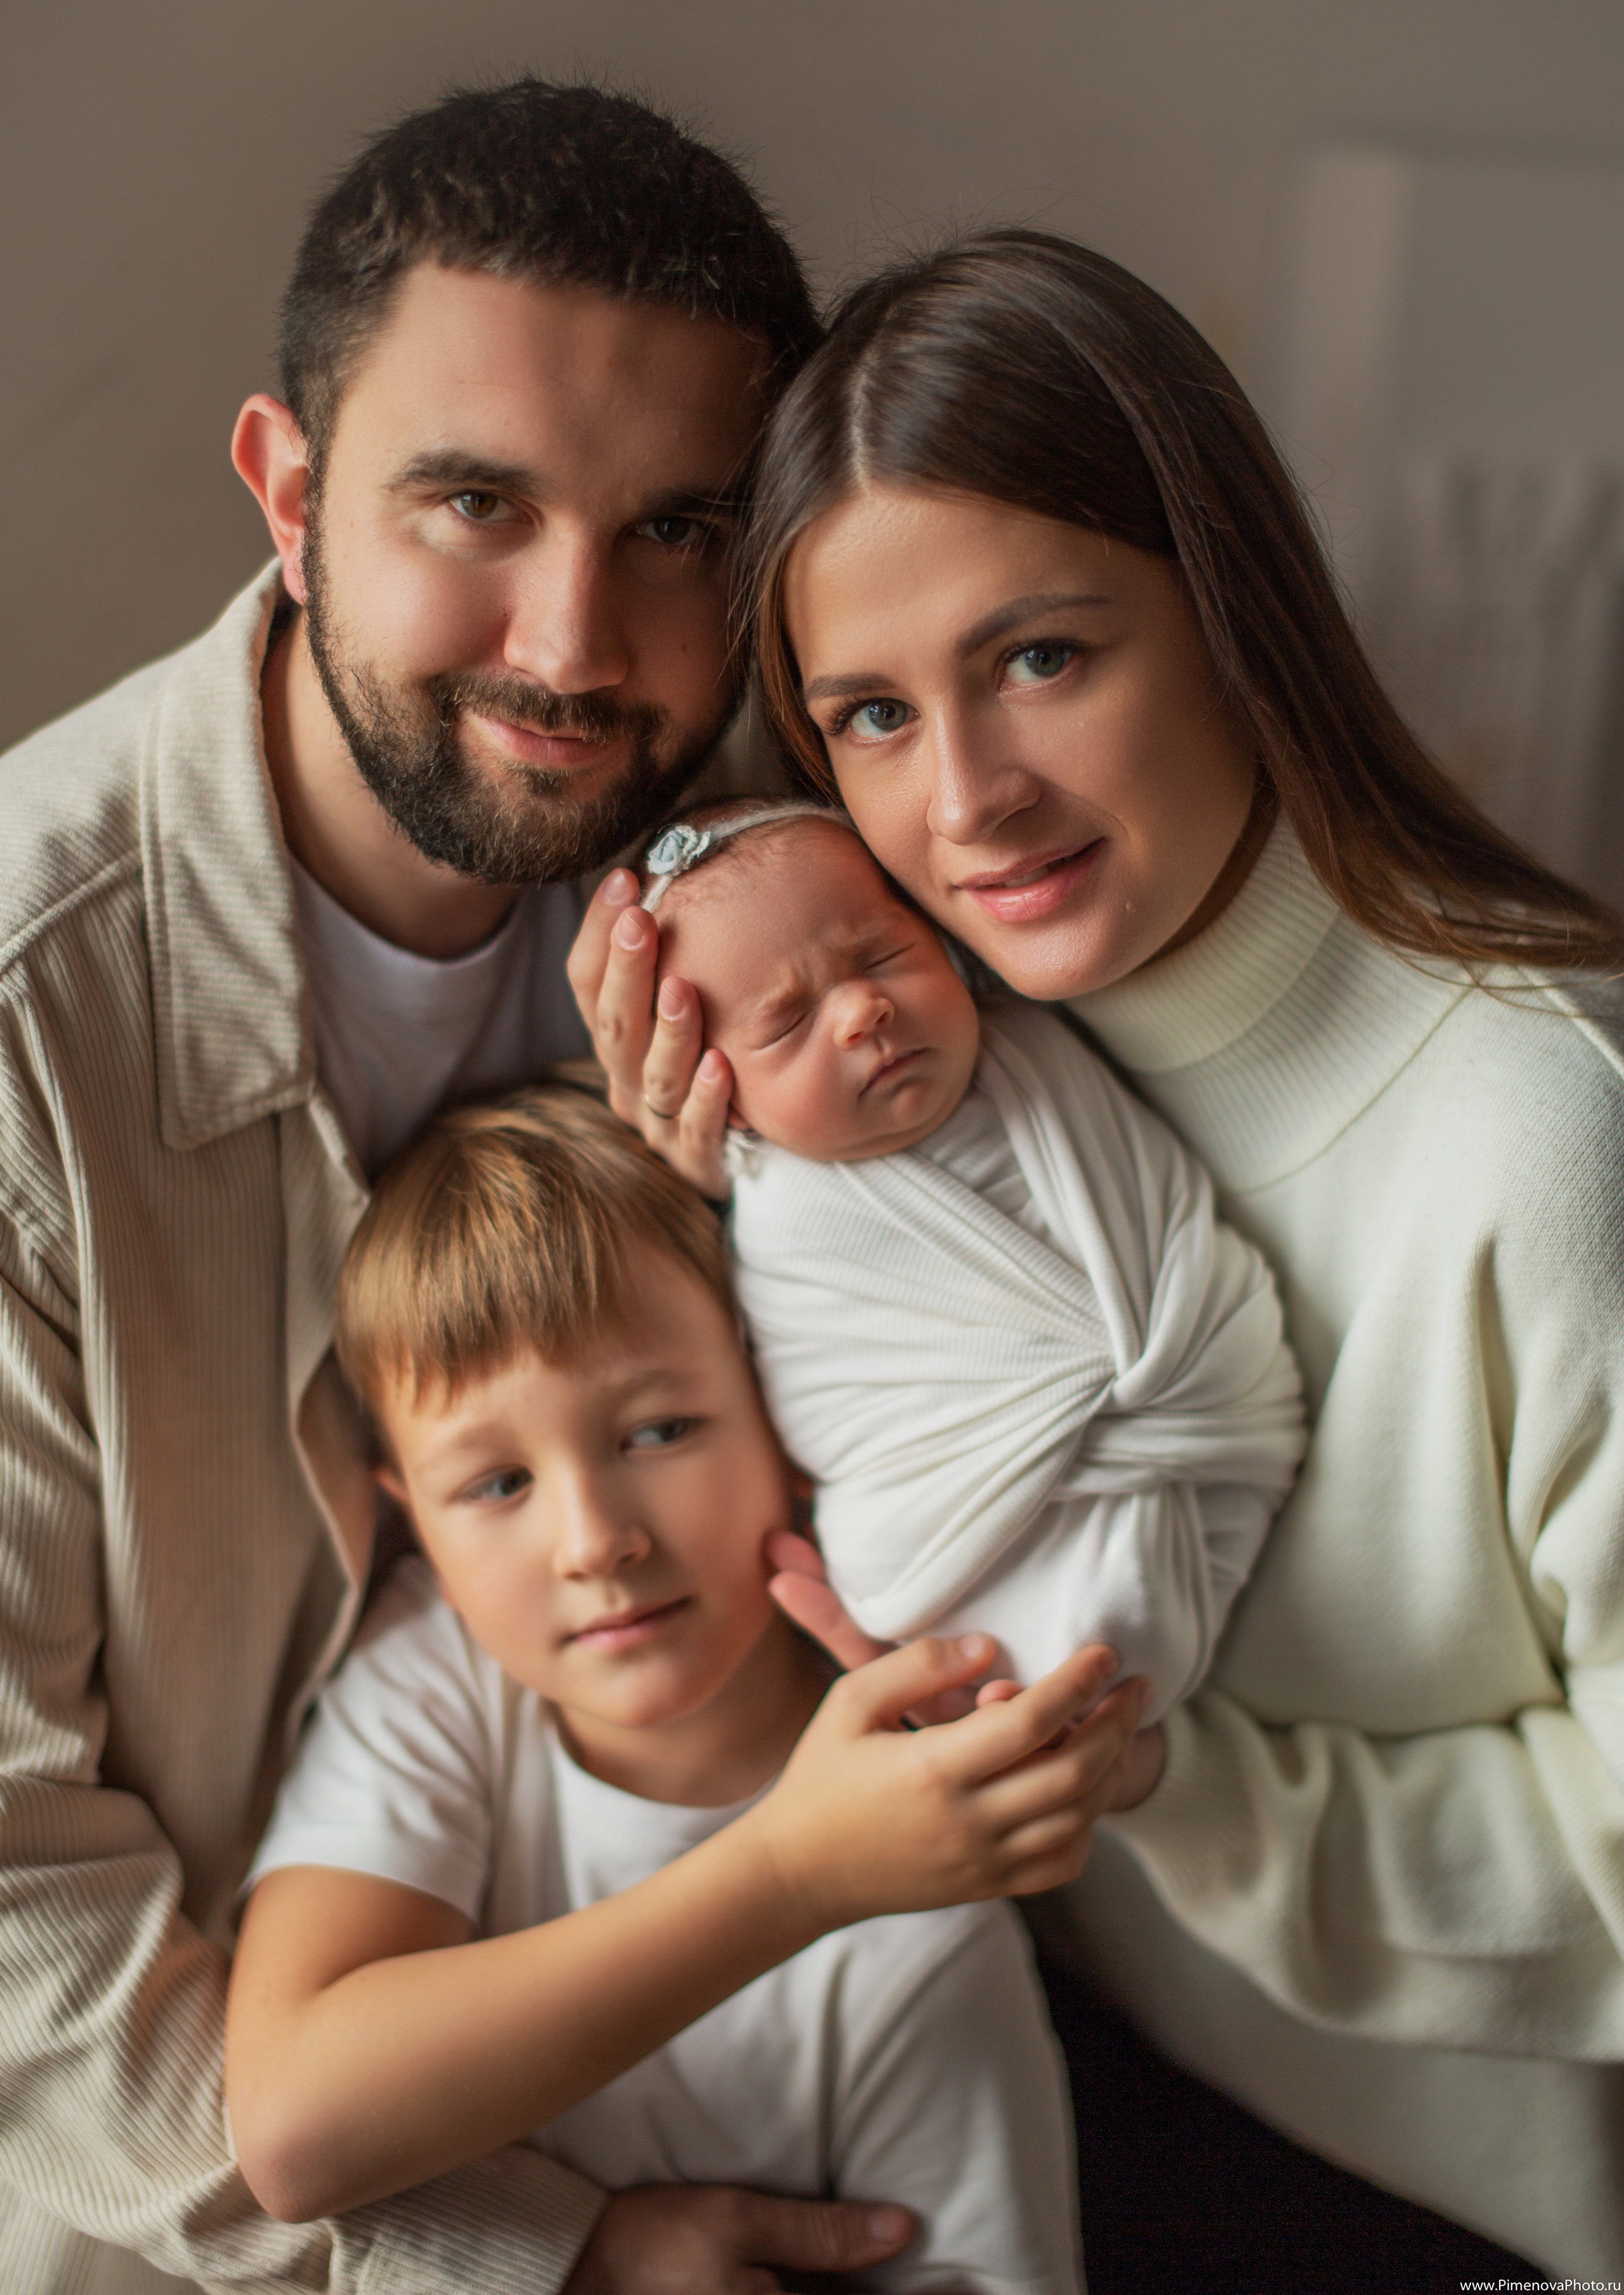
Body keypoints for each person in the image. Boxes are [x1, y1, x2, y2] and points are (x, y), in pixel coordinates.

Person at [0, 82, 1151, 2295]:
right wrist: (531, 2259)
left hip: (834, 2055)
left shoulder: (805, 872)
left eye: (675, 532)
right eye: (475, 504)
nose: (571, 641)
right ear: (290, 493)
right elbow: (15, 1917)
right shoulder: (27, 1027)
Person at [573, 228, 1624, 2286]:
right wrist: (721, 1191)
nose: (966, 800)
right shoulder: (923, 1059)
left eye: (1042, 658)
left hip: (1443, 2194)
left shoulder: (1551, 1133)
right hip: (1043, 2064)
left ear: (1228, 611)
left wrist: (1156, 1784)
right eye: (873, 714)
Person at [225, 1083, 1094, 2292]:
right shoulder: (441, 1675)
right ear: (409, 1516)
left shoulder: (922, 1911)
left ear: (788, 1411)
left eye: (658, 1432)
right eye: (497, 1485)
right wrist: (793, 1875)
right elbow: (295, 2131)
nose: (595, 1543)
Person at [638, 795, 1302, 1706]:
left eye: (884, 956)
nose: (862, 1010)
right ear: (725, 1099)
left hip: (1199, 1416)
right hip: (966, 1514)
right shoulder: (787, 1215)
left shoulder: (1038, 1058)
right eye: (787, 1023)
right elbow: (838, 1407)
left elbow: (1165, 1222)